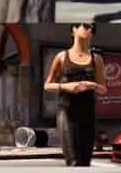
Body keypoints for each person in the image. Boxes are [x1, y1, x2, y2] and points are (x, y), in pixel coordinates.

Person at [44, 22, 106, 167]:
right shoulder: (62, 57)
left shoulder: (96, 59)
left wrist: (92, 85)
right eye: (86, 26)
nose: (89, 30)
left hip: (88, 114)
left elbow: (103, 89)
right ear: (74, 30)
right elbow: (47, 85)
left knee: (85, 161)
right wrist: (66, 86)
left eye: (92, 28)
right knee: (73, 161)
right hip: (66, 111)